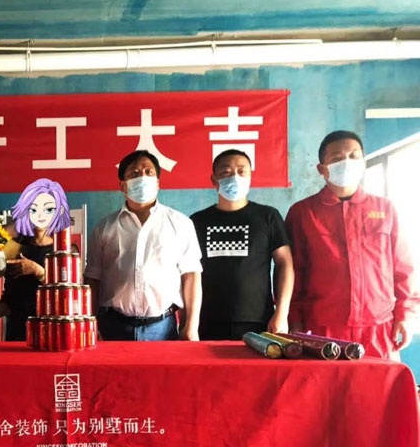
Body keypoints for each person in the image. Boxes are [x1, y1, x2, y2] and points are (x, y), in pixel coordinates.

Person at [286, 130, 420, 360]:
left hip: (378, 327)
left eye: (353, 156)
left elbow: (403, 267)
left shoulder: (385, 208)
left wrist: (405, 314)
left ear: (363, 163)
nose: (346, 162)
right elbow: (293, 271)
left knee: (379, 383)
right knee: (326, 384)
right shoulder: (303, 213)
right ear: (322, 169)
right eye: (337, 158)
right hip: (322, 328)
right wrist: (294, 319)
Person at [84, 150, 202, 341]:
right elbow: (93, 279)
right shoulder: (105, 227)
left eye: (149, 172)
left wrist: (191, 327)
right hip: (113, 326)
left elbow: (191, 275)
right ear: (123, 186)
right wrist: (90, 324)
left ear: (158, 183)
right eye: (135, 173)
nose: (143, 177)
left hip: (162, 326)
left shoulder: (180, 223)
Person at [190, 149, 293, 340]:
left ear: (250, 176)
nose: (234, 177)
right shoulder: (197, 221)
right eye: (226, 173)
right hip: (208, 320)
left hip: (258, 320)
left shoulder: (268, 216)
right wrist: (189, 322)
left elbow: (284, 263)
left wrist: (282, 313)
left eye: (241, 171)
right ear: (214, 180)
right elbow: (188, 272)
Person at [0, 178, 71, 341]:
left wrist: (38, 271)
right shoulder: (15, 249)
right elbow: (10, 299)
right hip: (18, 332)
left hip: (52, 332)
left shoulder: (63, 251)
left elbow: (69, 295)